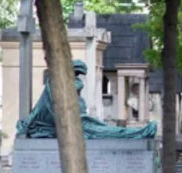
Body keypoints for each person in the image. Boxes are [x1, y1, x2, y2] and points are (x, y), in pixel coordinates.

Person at [16, 60, 157, 139]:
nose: (78, 89)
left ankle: (138, 133)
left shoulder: (68, 91)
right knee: (103, 132)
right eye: (76, 74)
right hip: (70, 124)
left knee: (104, 129)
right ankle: (138, 133)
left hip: (77, 121)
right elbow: (54, 112)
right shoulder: (55, 86)